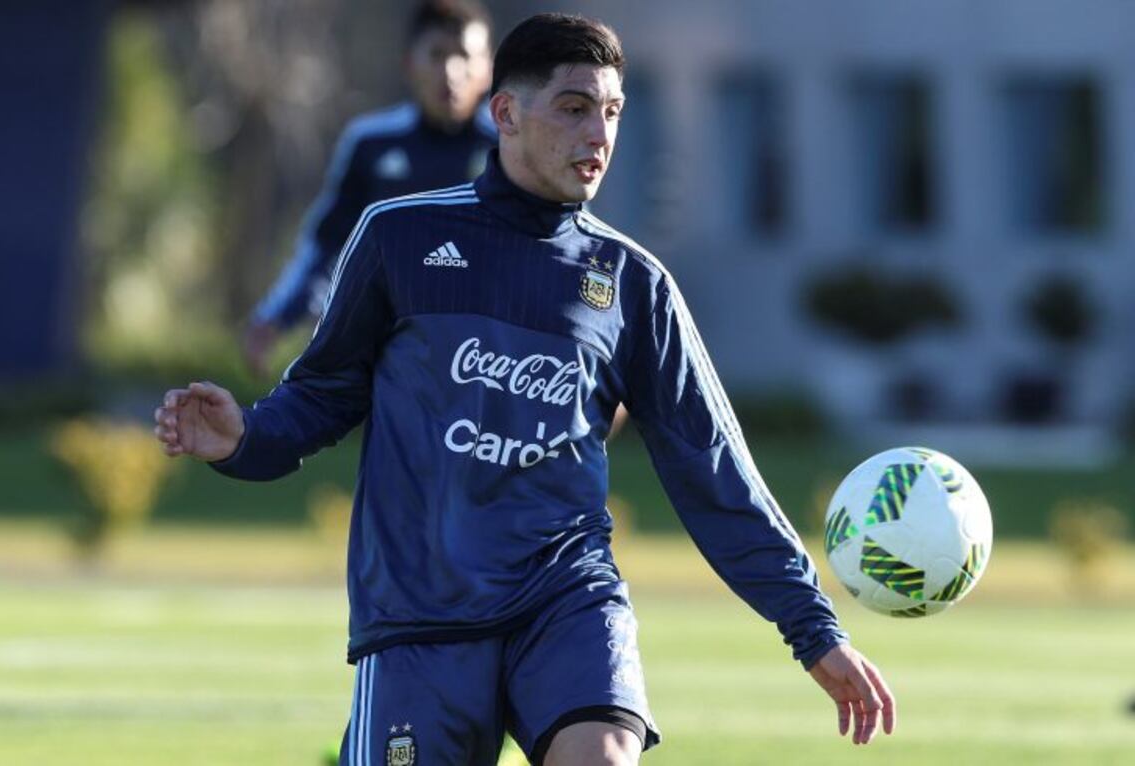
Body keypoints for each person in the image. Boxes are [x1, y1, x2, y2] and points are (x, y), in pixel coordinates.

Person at [154, 13, 895, 765]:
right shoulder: (398, 237)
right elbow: (322, 394)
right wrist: (246, 438)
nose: (599, 135)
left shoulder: (633, 284)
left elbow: (712, 466)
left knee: (604, 756)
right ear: (506, 112)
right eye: (574, 108)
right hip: (422, 614)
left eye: (612, 112)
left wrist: (813, 629)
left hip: (566, 601)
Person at [242, 0, 495, 377]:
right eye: (436, 54)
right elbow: (327, 242)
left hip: (480, 354)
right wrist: (277, 315)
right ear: (409, 64)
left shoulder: (510, 150)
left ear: (488, 68)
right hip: (386, 347)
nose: (450, 71)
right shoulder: (370, 142)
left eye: (464, 56)